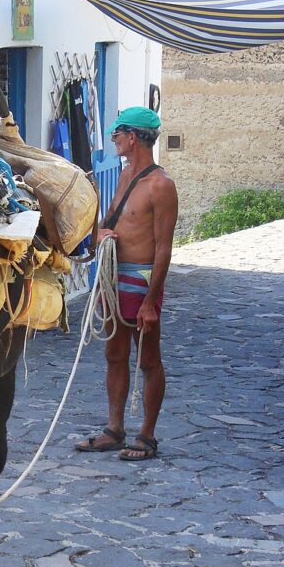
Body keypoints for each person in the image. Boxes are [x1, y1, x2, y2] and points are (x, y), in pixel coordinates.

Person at [76, 106, 178, 461]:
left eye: (117, 134)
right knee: (114, 354)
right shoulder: (123, 177)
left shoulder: (161, 185)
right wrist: (98, 232)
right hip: (114, 276)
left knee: (148, 359)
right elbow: (111, 219)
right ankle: (114, 429)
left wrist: (151, 301)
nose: (113, 140)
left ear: (132, 137)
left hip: (141, 279)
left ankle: (147, 436)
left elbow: (164, 247)